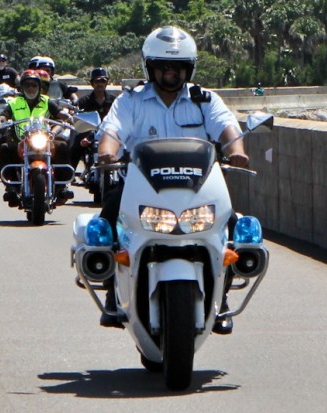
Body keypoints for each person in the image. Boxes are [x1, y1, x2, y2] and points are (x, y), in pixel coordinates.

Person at [96, 26, 248, 334]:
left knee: (233, 230)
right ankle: (113, 291)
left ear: (188, 68)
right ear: (150, 67)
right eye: (163, 66)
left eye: (177, 66)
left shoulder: (205, 100)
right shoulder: (131, 101)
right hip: (142, 188)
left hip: (197, 191)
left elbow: (227, 127)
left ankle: (223, 297)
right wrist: (107, 152)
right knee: (107, 221)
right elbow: (112, 131)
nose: (170, 72)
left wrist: (237, 150)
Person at [0, 70, 74, 206]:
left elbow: (59, 115)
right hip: (21, 140)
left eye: (34, 85)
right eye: (27, 85)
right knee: (4, 148)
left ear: (39, 88)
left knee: (62, 146)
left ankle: (62, 186)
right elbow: (4, 116)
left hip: (44, 139)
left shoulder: (47, 101)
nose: (31, 88)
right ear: (22, 88)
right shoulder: (14, 102)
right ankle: (11, 187)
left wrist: (66, 118)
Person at [70, 67, 116, 169]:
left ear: (106, 83)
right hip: (88, 131)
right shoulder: (84, 101)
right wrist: (72, 111)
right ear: (92, 83)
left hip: (108, 132)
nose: (100, 84)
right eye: (97, 81)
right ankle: (69, 174)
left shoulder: (114, 101)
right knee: (76, 144)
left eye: (103, 81)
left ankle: (123, 175)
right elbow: (74, 111)